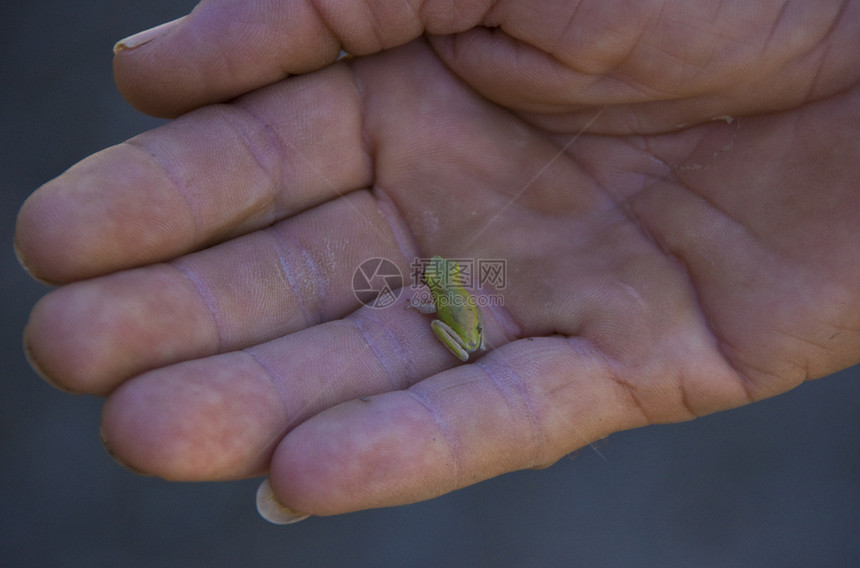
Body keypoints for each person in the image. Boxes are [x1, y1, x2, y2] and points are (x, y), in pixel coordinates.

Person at [14, 0, 860, 524]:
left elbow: (450, 304)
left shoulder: (449, 292)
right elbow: (447, 293)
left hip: (469, 332)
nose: (440, 278)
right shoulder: (449, 286)